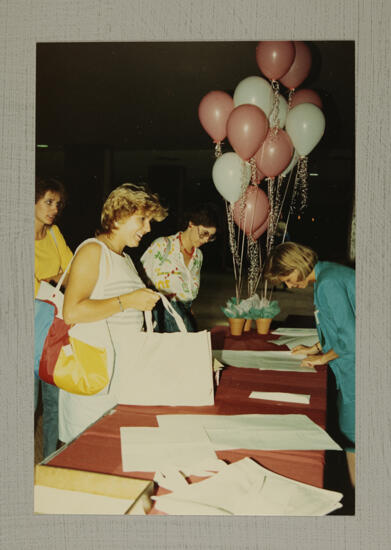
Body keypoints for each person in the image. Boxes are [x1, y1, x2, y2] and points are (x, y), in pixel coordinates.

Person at [59, 183, 167, 443]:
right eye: (142, 219)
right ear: (118, 216)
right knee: (85, 452)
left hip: (120, 377)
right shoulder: (93, 250)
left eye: (149, 220)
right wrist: (129, 300)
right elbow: (72, 311)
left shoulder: (126, 259)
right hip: (93, 376)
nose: (148, 228)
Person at [264, 241, 355, 486]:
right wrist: (316, 346)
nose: (289, 285)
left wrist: (323, 357)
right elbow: (336, 327)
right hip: (350, 366)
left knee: (354, 439)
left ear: (298, 264)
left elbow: (353, 336)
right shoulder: (327, 274)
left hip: (356, 370)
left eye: (288, 277)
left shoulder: (327, 284)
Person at [35, 176, 73, 458]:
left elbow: (72, 271)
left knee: (54, 402)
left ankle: (49, 462)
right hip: (27, 328)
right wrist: (54, 279)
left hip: (55, 326)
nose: (54, 209)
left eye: (57, 204)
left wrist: (50, 279)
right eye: (48, 202)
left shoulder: (55, 232)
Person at [140, 202, 219, 332]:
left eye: (210, 237)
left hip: (185, 320)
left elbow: (188, 293)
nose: (206, 240)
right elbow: (139, 281)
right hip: (162, 319)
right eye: (204, 233)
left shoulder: (198, 256)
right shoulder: (162, 246)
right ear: (191, 224)